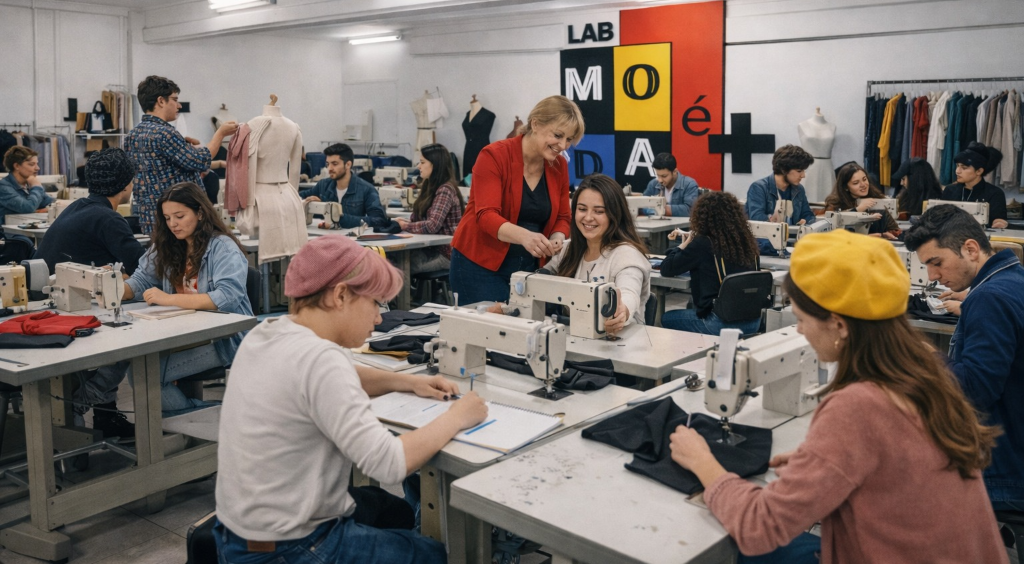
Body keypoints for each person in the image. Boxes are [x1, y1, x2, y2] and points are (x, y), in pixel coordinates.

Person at [670, 229, 1007, 563]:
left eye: (801, 319)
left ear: (840, 326)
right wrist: (826, 460)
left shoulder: (858, 406)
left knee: (745, 550)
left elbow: (761, 526)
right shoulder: (924, 371)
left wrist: (704, 463)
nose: (799, 330)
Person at [214, 235, 488, 564]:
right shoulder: (322, 360)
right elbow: (388, 463)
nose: (378, 318)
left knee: (390, 509)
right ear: (341, 295)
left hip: (238, 532)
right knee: (431, 555)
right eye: (375, 303)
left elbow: (332, 376)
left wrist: (409, 382)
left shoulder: (269, 333)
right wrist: (458, 416)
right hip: (290, 547)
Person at [905, 204, 1024, 511]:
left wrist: (925, 354)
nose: (932, 276)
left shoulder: (990, 298)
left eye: (936, 263)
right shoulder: (1012, 279)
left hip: (1003, 473)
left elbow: (974, 390)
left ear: (971, 249)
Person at [36, 148, 144, 438]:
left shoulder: (76, 207)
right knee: (132, 340)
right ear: (126, 184)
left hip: (50, 305)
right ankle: (83, 400)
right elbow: (144, 267)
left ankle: (106, 417)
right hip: (68, 312)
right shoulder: (108, 219)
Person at [122, 182, 253, 414]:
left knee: (145, 375)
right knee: (141, 368)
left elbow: (226, 297)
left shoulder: (222, 248)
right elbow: (141, 280)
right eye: (167, 218)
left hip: (222, 339)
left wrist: (169, 299)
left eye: (180, 216)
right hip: (182, 334)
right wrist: (112, 289)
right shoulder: (168, 244)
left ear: (200, 213)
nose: (173, 224)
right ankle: (203, 418)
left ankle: (217, 417)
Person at [450, 95, 583, 304]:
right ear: (535, 124)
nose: (563, 145)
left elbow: (563, 216)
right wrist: (526, 237)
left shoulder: (559, 166)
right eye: (558, 135)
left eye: (569, 139)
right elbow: (486, 216)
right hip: (479, 265)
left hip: (527, 268)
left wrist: (557, 237)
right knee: (490, 324)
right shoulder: (493, 155)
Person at [488, 174, 650, 337]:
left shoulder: (627, 256)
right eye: (582, 209)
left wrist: (622, 311)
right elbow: (537, 285)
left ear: (615, 214)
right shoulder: (568, 249)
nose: (588, 217)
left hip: (620, 342)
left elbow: (629, 292)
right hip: (577, 338)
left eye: (599, 211)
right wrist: (508, 308)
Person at [125, 75, 238, 235]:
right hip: (177, 220)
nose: (178, 105)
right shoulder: (165, 133)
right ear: (161, 101)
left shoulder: (133, 135)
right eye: (175, 99)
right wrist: (220, 134)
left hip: (151, 218)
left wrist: (184, 147)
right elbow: (201, 160)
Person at [660, 191, 761, 336]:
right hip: (753, 322)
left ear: (702, 217)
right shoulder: (747, 242)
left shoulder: (703, 243)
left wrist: (685, 243)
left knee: (666, 318)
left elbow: (667, 268)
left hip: (720, 324)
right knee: (691, 307)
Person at [395, 143, 465, 274]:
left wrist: (405, 226)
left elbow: (432, 225)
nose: (418, 166)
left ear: (435, 164)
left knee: (399, 267)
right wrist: (406, 222)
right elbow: (422, 220)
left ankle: (406, 288)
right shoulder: (429, 185)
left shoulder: (445, 190)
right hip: (431, 248)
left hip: (446, 254)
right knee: (389, 261)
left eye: (422, 162)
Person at [299, 143, 388, 229]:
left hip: (352, 238)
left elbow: (379, 220)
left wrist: (339, 219)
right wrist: (313, 204)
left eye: (334, 164)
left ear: (348, 165)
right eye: (327, 164)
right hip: (326, 235)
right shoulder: (323, 185)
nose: (329, 168)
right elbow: (296, 197)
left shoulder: (366, 189)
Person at [941, 141, 1008, 229]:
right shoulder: (950, 190)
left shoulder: (994, 194)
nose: (957, 171)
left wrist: (999, 223)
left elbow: (999, 221)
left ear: (979, 171)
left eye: (964, 168)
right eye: (957, 166)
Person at [823, 162, 899, 239]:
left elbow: (895, 231)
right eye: (856, 183)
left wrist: (888, 234)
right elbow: (835, 235)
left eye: (864, 179)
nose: (863, 185)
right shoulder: (834, 204)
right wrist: (858, 209)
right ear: (846, 187)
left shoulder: (877, 200)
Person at [745, 145, 817, 226]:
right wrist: (770, 220)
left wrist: (806, 221)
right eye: (799, 171)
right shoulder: (759, 188)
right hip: (768, 234)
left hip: (793, 233)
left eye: (804, 171)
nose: (803, 175)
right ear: (783, 170)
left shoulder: (799, 189)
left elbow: (808, 214)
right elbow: (756, 218)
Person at [1, 146, 54, 228]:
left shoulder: (28, 184)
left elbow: (50, 202)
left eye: (37, 164)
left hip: (25, 229)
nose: (37, 168)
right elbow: (28, 207)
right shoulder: (3, 187)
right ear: (17, 166)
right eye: (31, 164)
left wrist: (47, 208)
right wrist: (36, 187)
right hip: (8, 233)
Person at [642, 152, 699, 217]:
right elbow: (642, 204)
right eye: (658, 175)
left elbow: (690, 210)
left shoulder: (689, 184)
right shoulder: (653, 184)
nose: (660, 180)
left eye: (664, 176)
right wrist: (646, 209)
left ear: (674, 172)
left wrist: (662, 210)